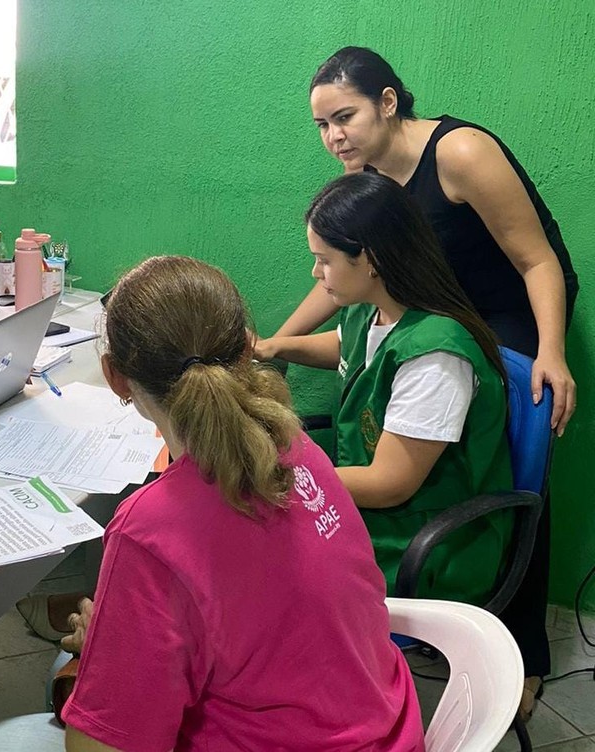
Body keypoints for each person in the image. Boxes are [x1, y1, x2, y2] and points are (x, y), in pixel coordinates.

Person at [0, 255, 425, 751]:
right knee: (66, 667)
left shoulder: (150, 530)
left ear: (115, 378)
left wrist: (109, 644)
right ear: (246, 350)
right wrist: (120, 641)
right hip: (383, 723)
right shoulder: (296, 443)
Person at [265, 47, 576, 718]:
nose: (333, 137)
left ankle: (515, 658)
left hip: (506, 310)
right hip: (427, 308)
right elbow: (343, 281)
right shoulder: (367, 192)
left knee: (512, 460)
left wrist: (550, 350)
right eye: (321, 125)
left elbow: (536, 258)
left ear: (386, 101)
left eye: (342, 116)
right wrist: (277, 344)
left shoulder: (460, 154)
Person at [261, 171, 514, 612]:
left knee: (265, 566)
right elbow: (347, 346)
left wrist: (278, 473)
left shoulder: (434, 358)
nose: (315, 272)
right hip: (379, 514)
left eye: (325, 260)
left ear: (372, 259)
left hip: (423, 541)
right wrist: (275, 346)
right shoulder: (374, 310)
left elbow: (389, 484)